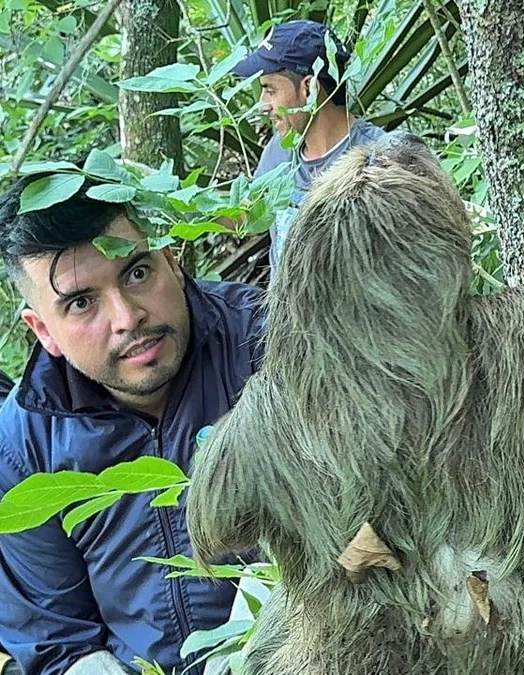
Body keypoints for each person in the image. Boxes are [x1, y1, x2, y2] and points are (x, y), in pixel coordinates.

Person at [0, 176, 265, 675]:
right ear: (42, 331)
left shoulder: (272, 347)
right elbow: (58, 641)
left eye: (138, 272)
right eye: (81, 302)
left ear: (172, 260)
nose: (127, 317)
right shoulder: (23, 445)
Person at [233, 19, 385, 271]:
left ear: (309, 89)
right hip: (284, 308)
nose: (262, 105)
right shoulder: (279, 151)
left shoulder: (382, 157)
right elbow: (247, 215)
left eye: (269, 90)